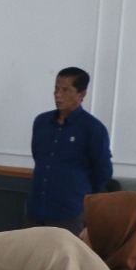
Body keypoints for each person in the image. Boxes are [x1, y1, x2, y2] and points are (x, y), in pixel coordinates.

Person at [26, 67, 112, 233]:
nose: (58, 95)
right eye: (56, 89)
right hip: (36, 207)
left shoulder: (93, 128)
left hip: (70, 211)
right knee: (32, 249)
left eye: (65, 90)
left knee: (65, 250)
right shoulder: (42, 122)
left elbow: (103, 171)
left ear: (81, 94)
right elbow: (38, 156)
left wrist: (79, 194)